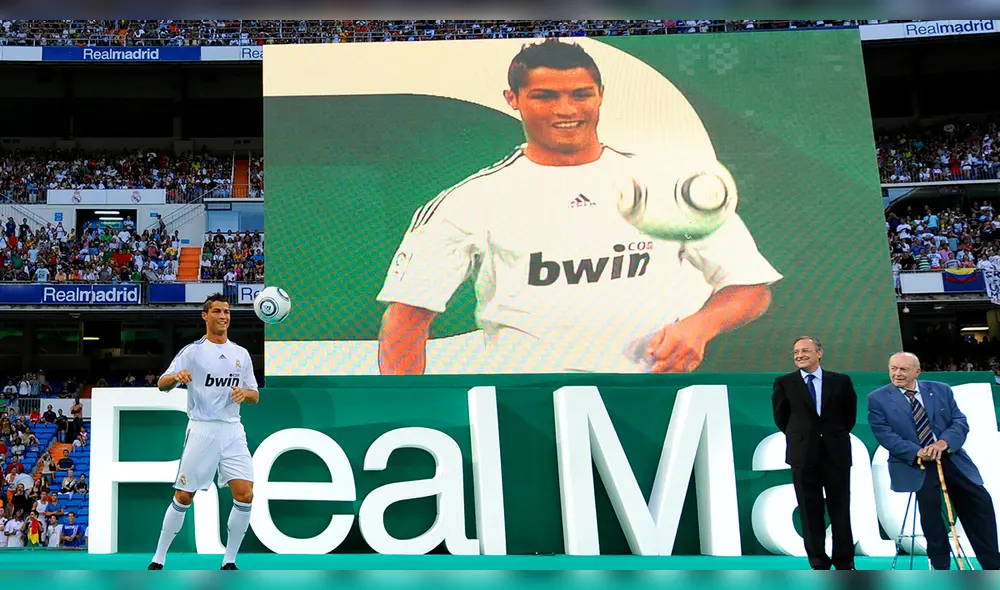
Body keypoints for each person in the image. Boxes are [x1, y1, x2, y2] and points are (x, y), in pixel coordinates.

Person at [376, 38, 781, 375]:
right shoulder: (469, 201)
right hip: (526, 407)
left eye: (580, 94)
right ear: (512, 99)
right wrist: (410, 414)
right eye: (545, 96)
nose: (566, 110)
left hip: (654, 398)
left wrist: (701, 326)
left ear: (601, 95)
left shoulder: (669, 184)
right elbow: (406, 321)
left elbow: (749, 285)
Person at [148, 293, 259, 571]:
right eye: (218, 311)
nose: (224, 316)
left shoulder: (240, 354)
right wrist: (176, 378)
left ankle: (230, 560)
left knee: (245, 494)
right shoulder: (192, 352)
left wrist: (243, 393)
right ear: (205, 316)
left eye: (227, 312)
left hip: (233, 430)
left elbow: (255, 394)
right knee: (185, 496)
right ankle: (159, 557)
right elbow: (162, 384)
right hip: (202, 429)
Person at [868, 352, 1000, 570]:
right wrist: (918, 451)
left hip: (950, 458)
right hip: (915, 463)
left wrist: (943, 443)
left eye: (903, 369)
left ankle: (992, 565)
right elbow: (884, 434)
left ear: (917, 371)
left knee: (980, 503)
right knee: (930, 512)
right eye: (893, 368)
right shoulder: (878, 398)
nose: (897, 373)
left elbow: (959, 422)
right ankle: (940, 567)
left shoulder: (940, 390)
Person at [771, 336, 857, 570]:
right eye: (796, 352)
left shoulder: (840, 382)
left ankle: (845, 561)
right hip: (802, 455)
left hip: (835, 454)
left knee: (840, 509)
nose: (799, 355)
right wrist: (804, 435)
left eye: (805, 351)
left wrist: (829, 436)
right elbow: (782, 418)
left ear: (819, 353)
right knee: (809, 511)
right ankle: (818, 561)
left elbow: (849, 416)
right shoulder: (784, 383)